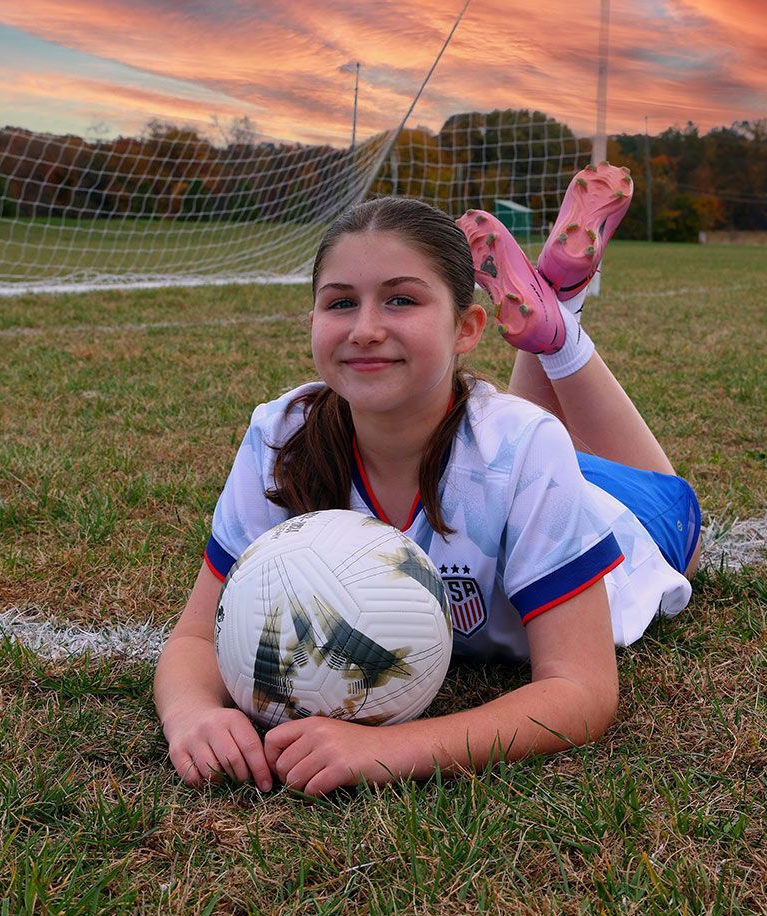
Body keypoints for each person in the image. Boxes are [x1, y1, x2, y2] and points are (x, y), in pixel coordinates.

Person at [154, 166, 701, 798]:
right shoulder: (282, 434)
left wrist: (386, 748)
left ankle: (562, 329)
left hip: (627, 524)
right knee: (511, 449)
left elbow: (581, 691)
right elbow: (196, 635)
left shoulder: (523, 448)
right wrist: (193, 715)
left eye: (401, 299)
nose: (364, 328)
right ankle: (552, 311)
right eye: (339, 302)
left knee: (654, 484)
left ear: (468, 328)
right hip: (517, 469)